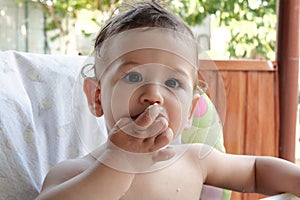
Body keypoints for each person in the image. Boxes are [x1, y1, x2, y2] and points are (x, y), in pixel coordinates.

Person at [36, 1, 300, 199]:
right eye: (133, 76)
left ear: (190, 111)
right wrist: (118, 162)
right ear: (97, 97)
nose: (154, 94)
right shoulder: (76, 173)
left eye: (172, 83)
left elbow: (255, 171)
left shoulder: (195, 159)